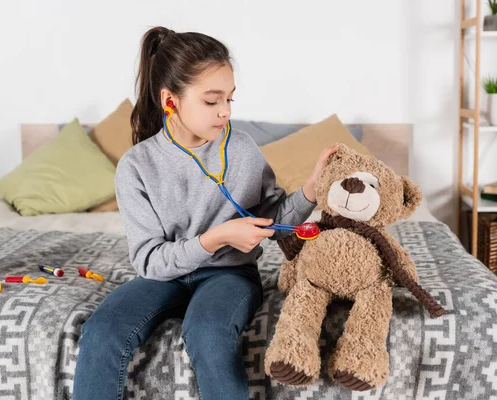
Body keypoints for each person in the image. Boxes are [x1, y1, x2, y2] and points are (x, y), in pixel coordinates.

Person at [72, 26, 338, 400]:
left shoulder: (242, 150)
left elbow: (276, 223)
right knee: (102, 330)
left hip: (228, 275)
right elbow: (149, 261)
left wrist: (311, 188)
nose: (225, 112)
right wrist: (217, 237)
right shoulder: (136, 166)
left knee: (208, 330)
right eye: (212, 101)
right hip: (163, 276)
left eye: (229, 99)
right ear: (170, 101)